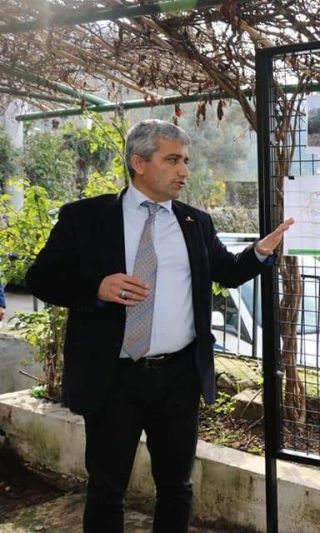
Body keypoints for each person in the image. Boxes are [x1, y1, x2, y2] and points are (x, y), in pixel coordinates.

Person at [25, 119, 294, 533]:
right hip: (112, 377)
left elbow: (227, 271)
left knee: (176, 487)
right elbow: (41, 278)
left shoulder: (195, 222)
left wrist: (259, 252)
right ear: (139, 163)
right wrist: (96, 287)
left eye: (185, 160)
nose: (184, 170)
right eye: (172, 160)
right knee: (106, 490)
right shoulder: (86, 217)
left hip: (178, 378)